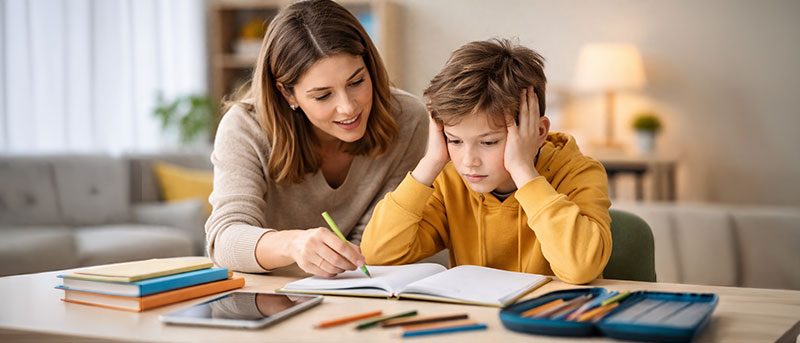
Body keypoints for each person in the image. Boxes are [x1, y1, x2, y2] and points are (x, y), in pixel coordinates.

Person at [361, 38, 612, 284]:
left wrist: (523, 170)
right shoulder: (449, 179)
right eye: (455, 140)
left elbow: (580, 268)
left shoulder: (579, 172)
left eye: (489, 142)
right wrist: (431, 161)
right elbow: (378, 255)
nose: (468, 161)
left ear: (538, 132)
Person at [206, 0, 427, 277]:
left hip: (354, 288)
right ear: (287, 93)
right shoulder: (245, 127)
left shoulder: (407, 119)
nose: (348, 107)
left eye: (356, 82)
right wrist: (292, 244)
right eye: (323, 96)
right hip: (269, 290)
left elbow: (374, 242)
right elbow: (224, 240)